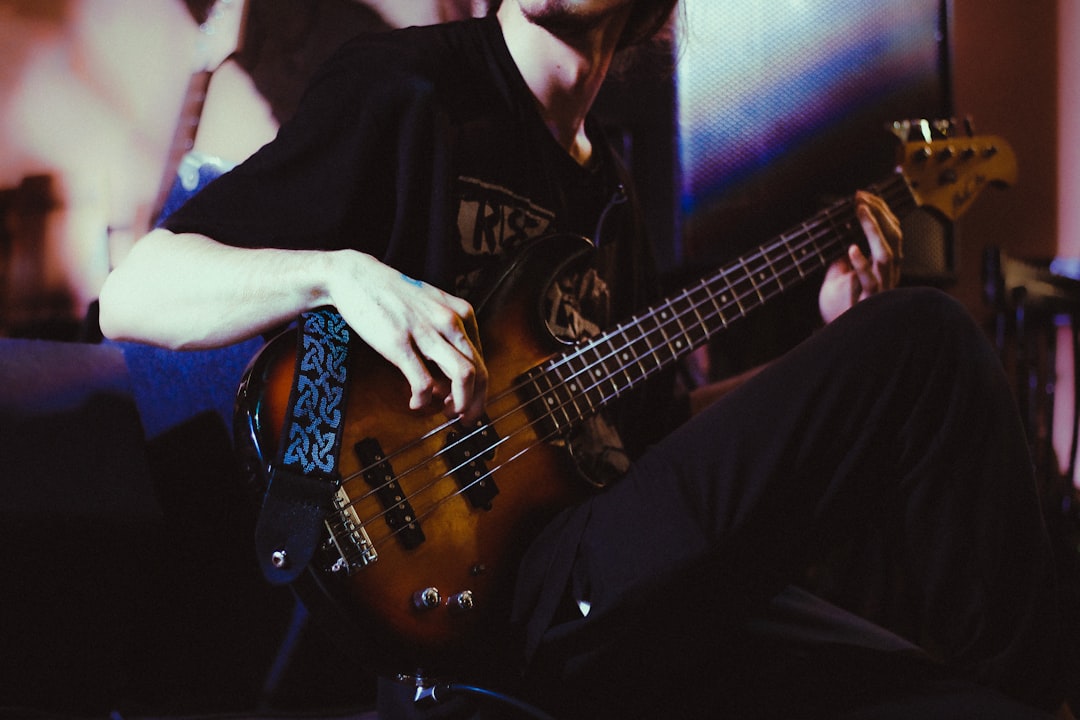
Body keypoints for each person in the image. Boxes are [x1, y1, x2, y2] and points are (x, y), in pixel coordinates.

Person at [98, 0, 1067, 717]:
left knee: (950, 699)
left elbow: (649, 443)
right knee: (929, 340)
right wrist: (341, 276)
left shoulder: (610, 200)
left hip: (609, 566)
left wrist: (829, 355)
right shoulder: (409, 91)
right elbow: (134, 292)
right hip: (497, 592)